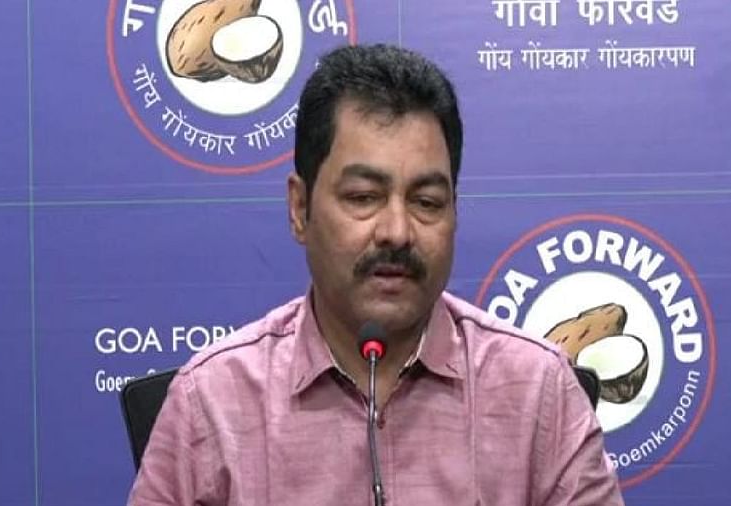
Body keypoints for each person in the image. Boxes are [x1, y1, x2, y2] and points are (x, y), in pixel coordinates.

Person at [128, 44, 624, 506]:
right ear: (299, 208)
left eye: (426, 202)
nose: (397, 232)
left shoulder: (538, 391)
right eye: (363, 197)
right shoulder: (211, 403)